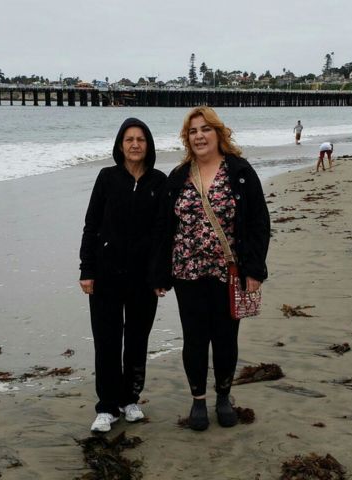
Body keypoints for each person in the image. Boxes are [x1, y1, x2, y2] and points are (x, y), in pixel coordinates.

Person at [150, 106, 270, 431]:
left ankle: (223, 397)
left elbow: (259, 222)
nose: (199, 136)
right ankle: (198, 400)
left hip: (227, 271)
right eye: (193, 131)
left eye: (205, 129)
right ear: (186, 138)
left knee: (225, 338)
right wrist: (159, 273)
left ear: (218, 133)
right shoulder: (178, 176)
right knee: (194, 339)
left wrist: (255, 270)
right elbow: (163, 228)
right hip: (186, 272)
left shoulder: (240, 171)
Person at [79, 118, 166, 433]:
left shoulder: (159, 182)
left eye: (140, 139)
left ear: (148, 145)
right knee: (107, 342)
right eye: (129, 139)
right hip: (106, 276)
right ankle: (106, 407)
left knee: (137, 341)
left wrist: (160, 276)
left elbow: (163, 234)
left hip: (143, 279)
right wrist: (87, 269)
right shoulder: (107, 178)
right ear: (120, 145)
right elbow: (91, 225)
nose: (135, 144)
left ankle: (130, 400)